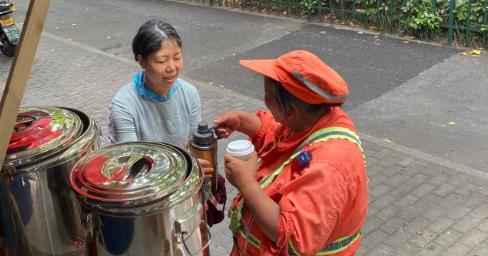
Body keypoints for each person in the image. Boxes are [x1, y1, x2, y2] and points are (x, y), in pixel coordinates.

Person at [214, 50, 368, 255]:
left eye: (268, 97)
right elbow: (277, 132)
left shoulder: (330, 166)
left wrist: (247, 184)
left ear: (291, 111)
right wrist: (242, 121)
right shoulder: (312, 118)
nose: (265, 101)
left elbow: (294, 240)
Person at [109, 19, 201, 150]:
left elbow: (195, 146)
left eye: (177, 57)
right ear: (142, 61)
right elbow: (129, 159)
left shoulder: (189, 93)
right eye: (161, 61)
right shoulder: (124, 105)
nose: (172, 68)